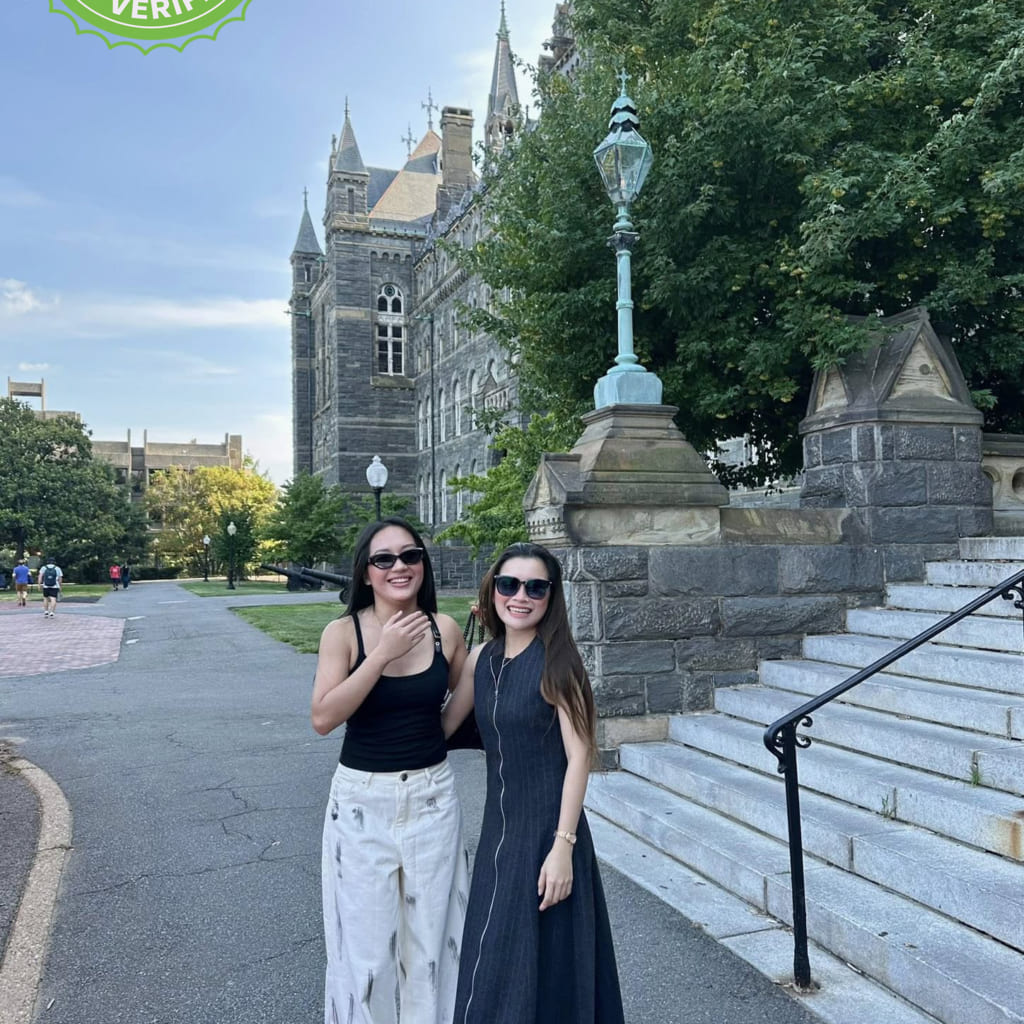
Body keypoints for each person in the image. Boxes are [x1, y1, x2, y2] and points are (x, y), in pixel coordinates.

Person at [443, 542, 624, 1024]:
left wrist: (563, 847)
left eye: (535, 588)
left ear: (551, 596)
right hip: (498, 836)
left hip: (549, 834)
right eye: (509, 584)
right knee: (491, 956)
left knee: (548, 967)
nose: (520, 596)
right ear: (492, 590)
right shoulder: (481, 660)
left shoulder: (558, 664)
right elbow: (441, 728)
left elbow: (580, 755)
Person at [311, 516, 470, 1024]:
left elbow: (454, 712)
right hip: (362, 803)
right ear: (366, 572)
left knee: (434, 952)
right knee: (366, 959)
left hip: (432, 798)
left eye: (410, 555)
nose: (399, 566)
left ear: (423, 564)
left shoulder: (445, 631)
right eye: (384, 559)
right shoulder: (343, 634)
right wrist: (381, 655)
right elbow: (323, 718)